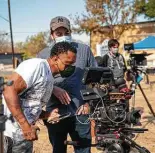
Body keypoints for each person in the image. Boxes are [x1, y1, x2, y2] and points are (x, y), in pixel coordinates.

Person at [0, 42, 77, 153]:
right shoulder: (36, 66)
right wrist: (25, 126)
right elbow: (8, 90)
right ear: (55, 58)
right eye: (67, 64)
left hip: (21, 132)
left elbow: (29, 105)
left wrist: (47, 115)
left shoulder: (50, 78)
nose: (70, 68)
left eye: (72, 65)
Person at [37, 16, 97, 153]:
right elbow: (39, 82)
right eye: (59, 33)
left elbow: (95, 79)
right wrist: (53, 88)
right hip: (55, 113)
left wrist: (88, 104)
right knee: (58, 150)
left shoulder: (84, 50)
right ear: (52, 35)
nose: (63, 36)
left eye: (66, 32)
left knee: (83, 150)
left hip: (80, 112)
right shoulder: (42, 54)